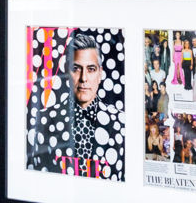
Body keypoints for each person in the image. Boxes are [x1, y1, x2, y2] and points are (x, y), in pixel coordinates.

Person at [27, 32, 124, 180]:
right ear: (67, 72)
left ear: (100, 74)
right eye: (76, 68)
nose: (83, 78)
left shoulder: (121, 123)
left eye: (91, 69)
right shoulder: (43, 121)